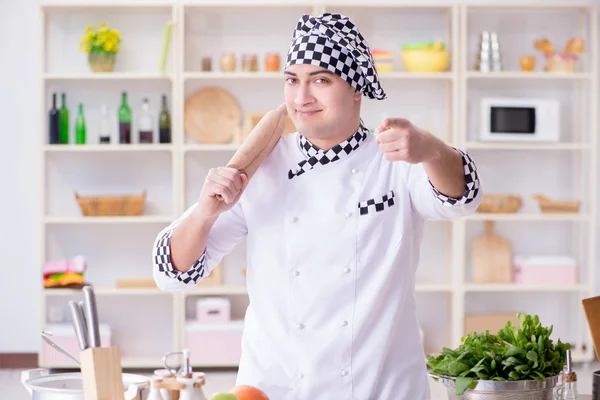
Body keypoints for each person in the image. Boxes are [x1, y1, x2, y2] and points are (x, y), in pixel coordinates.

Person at [152, 12, 483, 400]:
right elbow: (173, 275)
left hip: (381, 387)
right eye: (292, 80)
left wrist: (429, 148)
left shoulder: (396, 157)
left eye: (320, 80)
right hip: (274, 389)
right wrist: (205, 212)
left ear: (356, 88)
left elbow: (461, 199)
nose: (301, 97)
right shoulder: (259, 166)